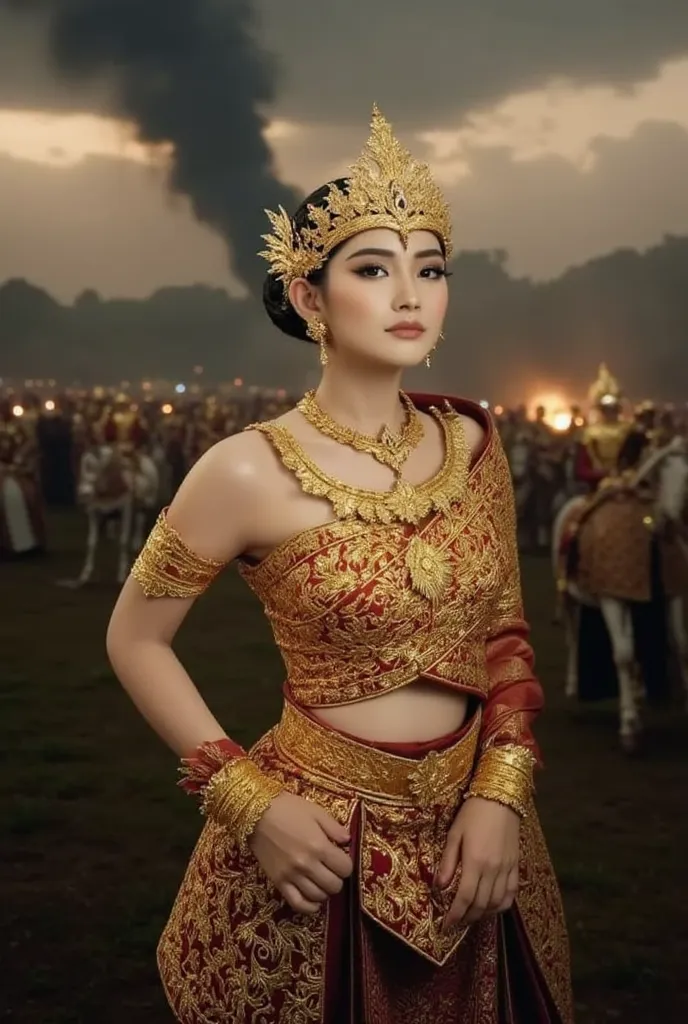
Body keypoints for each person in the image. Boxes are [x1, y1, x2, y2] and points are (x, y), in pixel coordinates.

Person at [106, 106, 573, 1023]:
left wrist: (503, 793)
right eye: (373, 268)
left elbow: (506, 638)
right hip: (318, 840)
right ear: (311, 298)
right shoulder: (246, 468)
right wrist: (248, 802)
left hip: (480, 839)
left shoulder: (475, 445)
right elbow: (136, 638)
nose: (410, 295)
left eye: (430, 269)